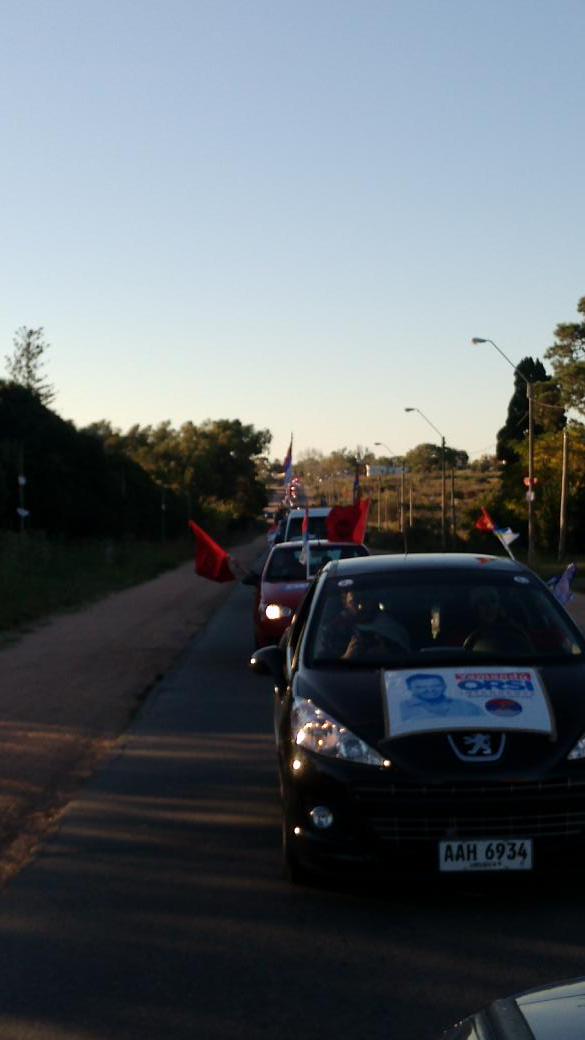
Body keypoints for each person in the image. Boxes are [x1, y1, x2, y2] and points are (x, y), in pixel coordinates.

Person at [321, 588, 410, 660]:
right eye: (354, 602)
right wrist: (347, 656)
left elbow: (406, 658)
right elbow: (324, 668)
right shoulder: (335, 630)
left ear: (373, 600)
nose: (360, 606)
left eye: (364, 599)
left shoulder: (390, 625)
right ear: (346, 604)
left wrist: (386, 653)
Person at [464, 586, 533, 653]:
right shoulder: (463, 632)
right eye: (482, 602)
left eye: (493, 601)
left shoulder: (514, 630)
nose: (489, 607)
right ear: (474, 608)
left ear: (499, 606)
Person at [400, 673, 482, 721]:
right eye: (420, 687)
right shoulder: (399, 708)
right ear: (409, 689)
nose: (430, 690)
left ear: (444, 686)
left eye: (436, 686)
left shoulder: (466, 705)